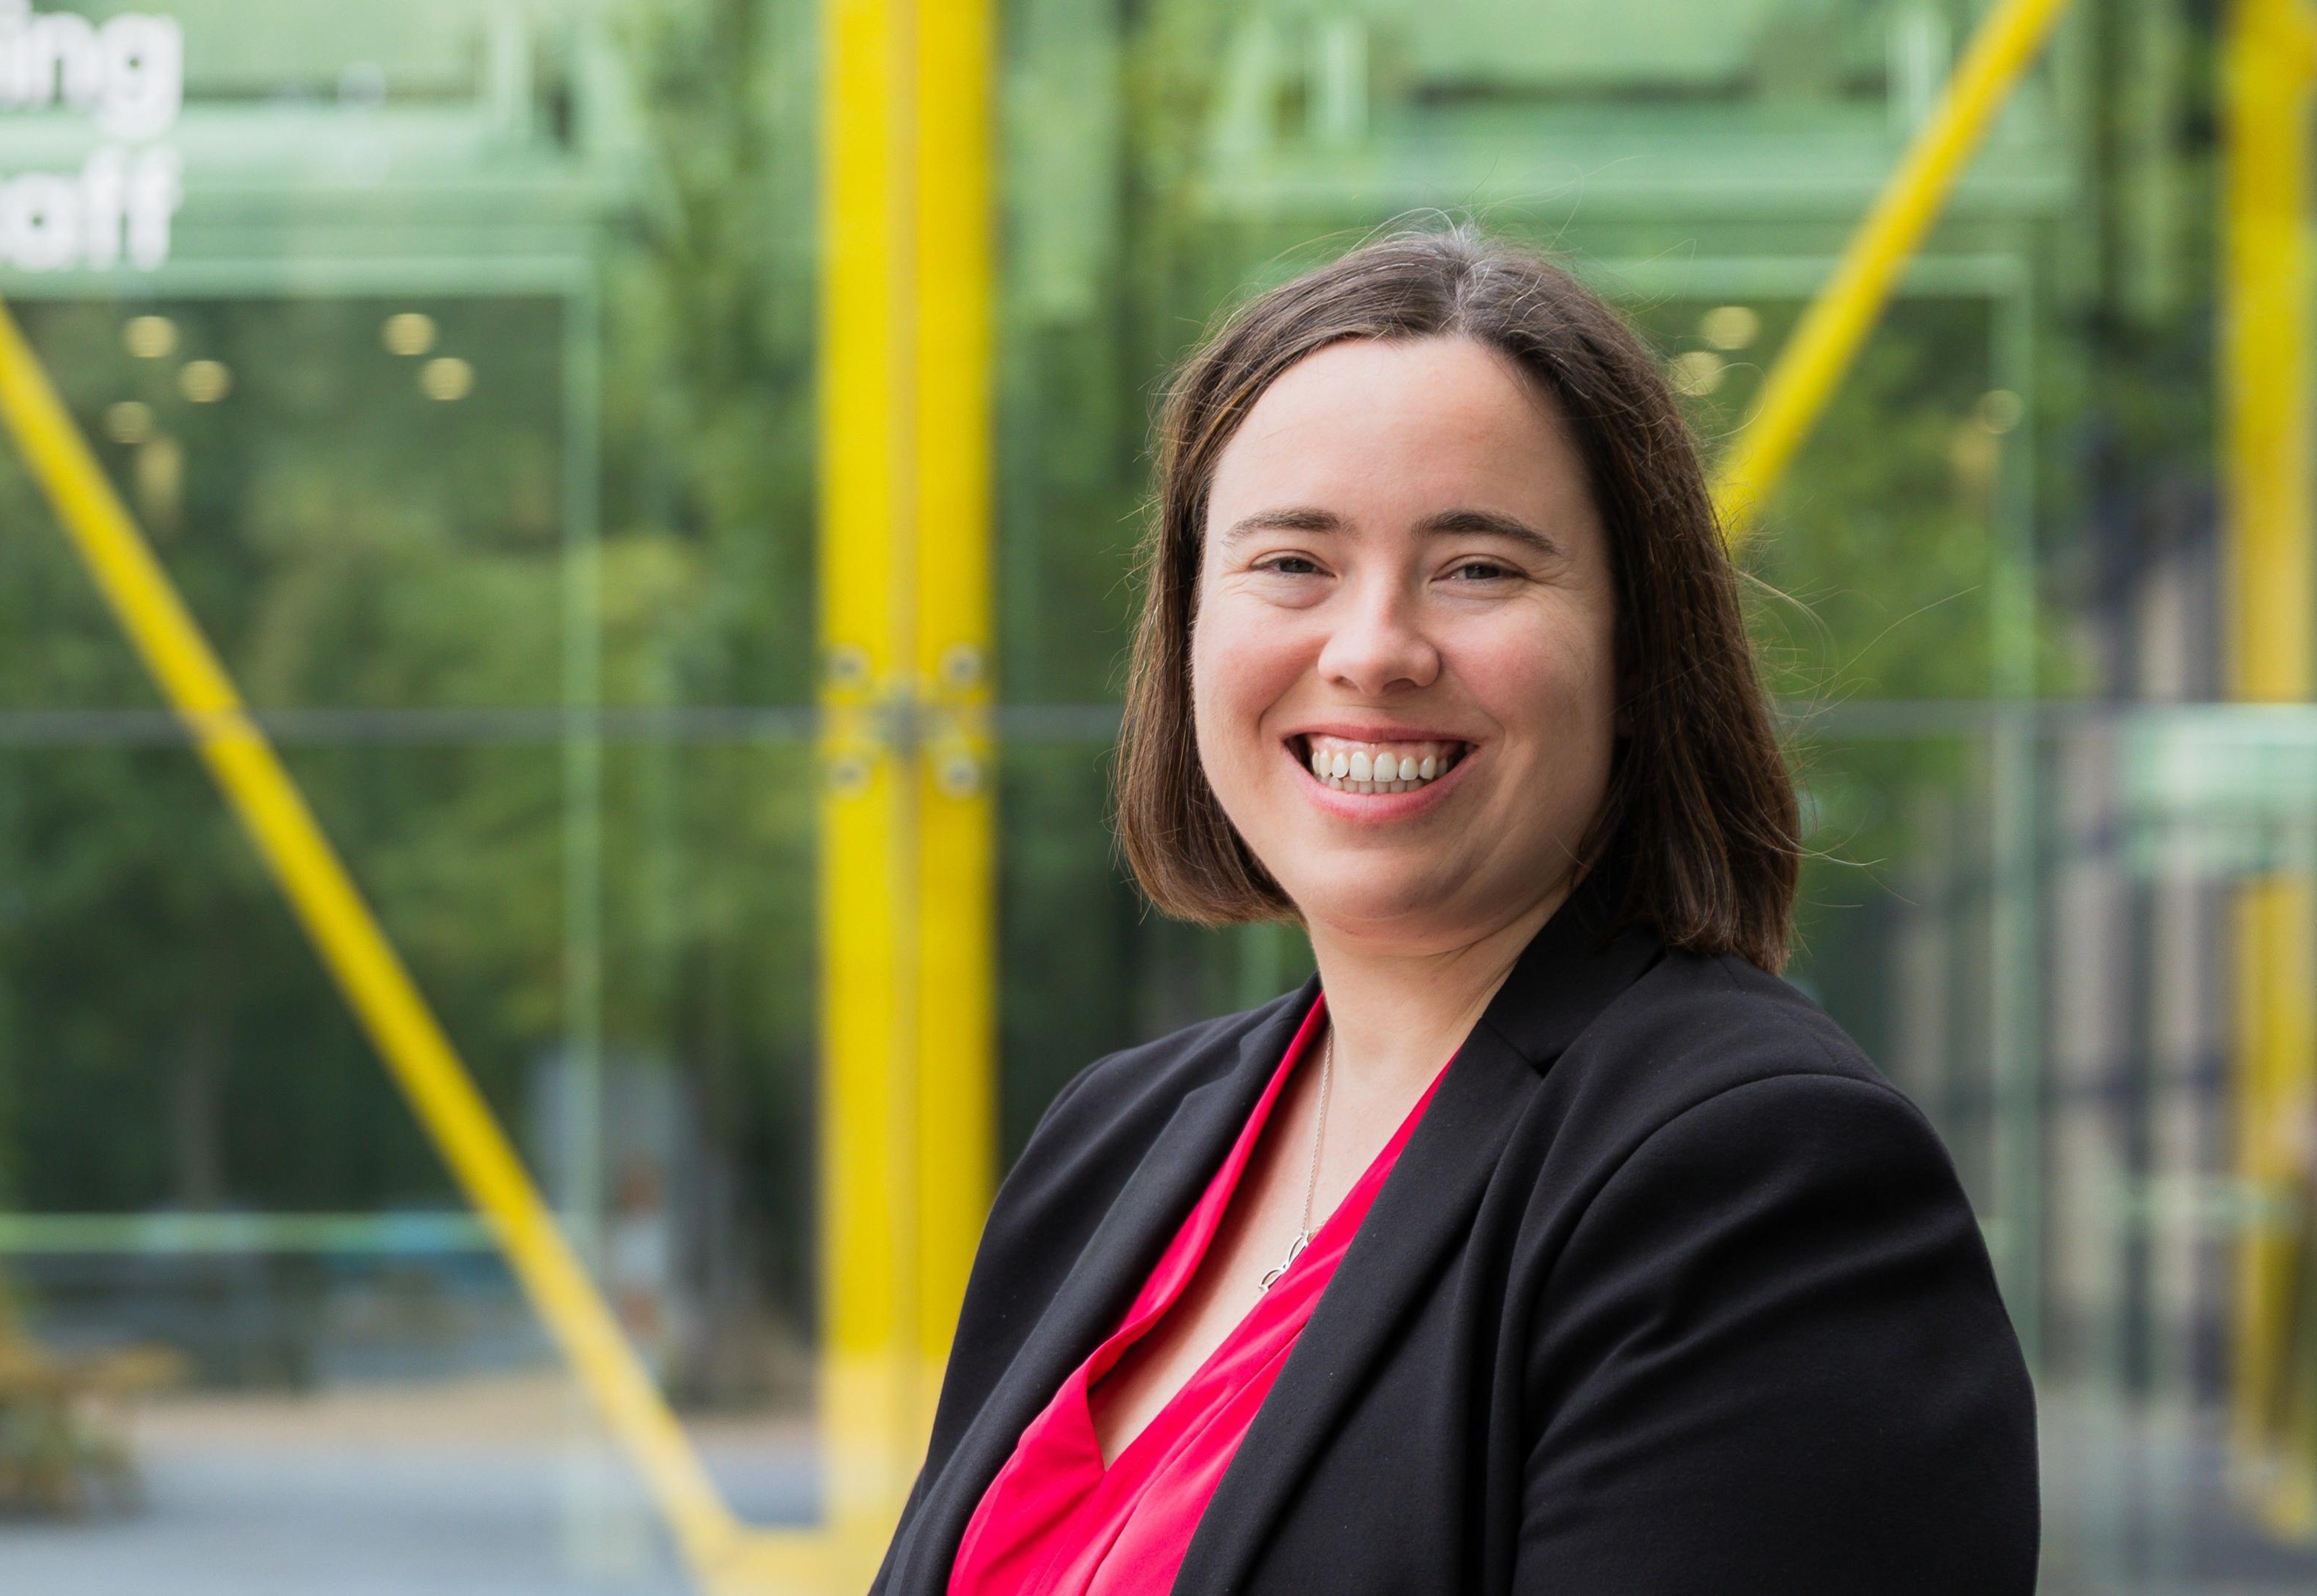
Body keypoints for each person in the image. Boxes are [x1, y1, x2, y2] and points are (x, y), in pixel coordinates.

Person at [869, 223, 2038, 1596]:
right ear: (1188, 629)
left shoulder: (1755, 1178)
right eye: (1292, 562)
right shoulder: (1112, 1142)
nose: (1372, 650)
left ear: (1635, 652)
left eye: (1479, 567)